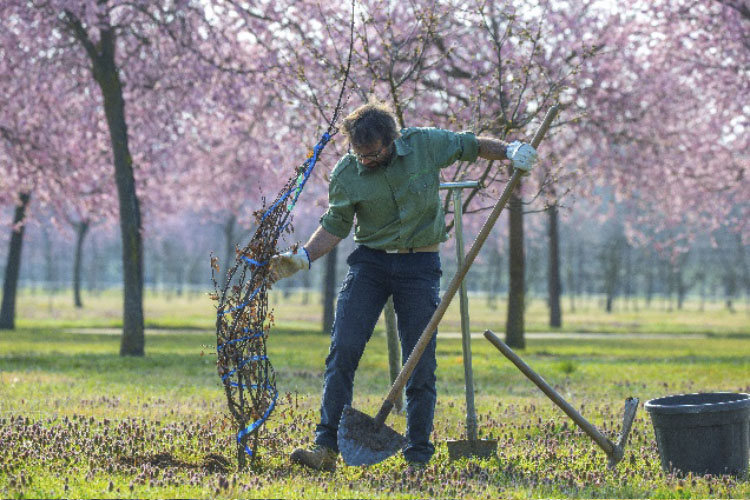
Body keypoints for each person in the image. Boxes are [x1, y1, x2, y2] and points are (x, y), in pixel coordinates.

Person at [270, 98, 537, 472]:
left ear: (391, 140)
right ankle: (325, 447)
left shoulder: (425, 144)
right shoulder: (346, 173)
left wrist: (510, 150)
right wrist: (303, 257)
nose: (366, 160)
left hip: (419, 263)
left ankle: (417, 458)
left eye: (373, 153)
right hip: (371, 263)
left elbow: (471, 144)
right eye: (359, 153)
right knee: (343, 349)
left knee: (420, 361)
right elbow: (336, 224)